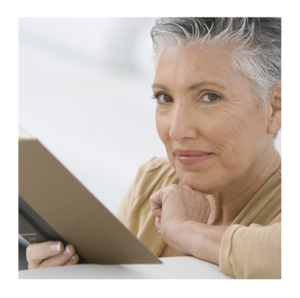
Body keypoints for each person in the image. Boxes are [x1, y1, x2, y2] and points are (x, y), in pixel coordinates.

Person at [26, 17, 281, 279]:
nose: (177, 130)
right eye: (165, 98)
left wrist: (184, 231)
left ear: (276, 107)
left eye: (210, 96)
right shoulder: (153, 180)